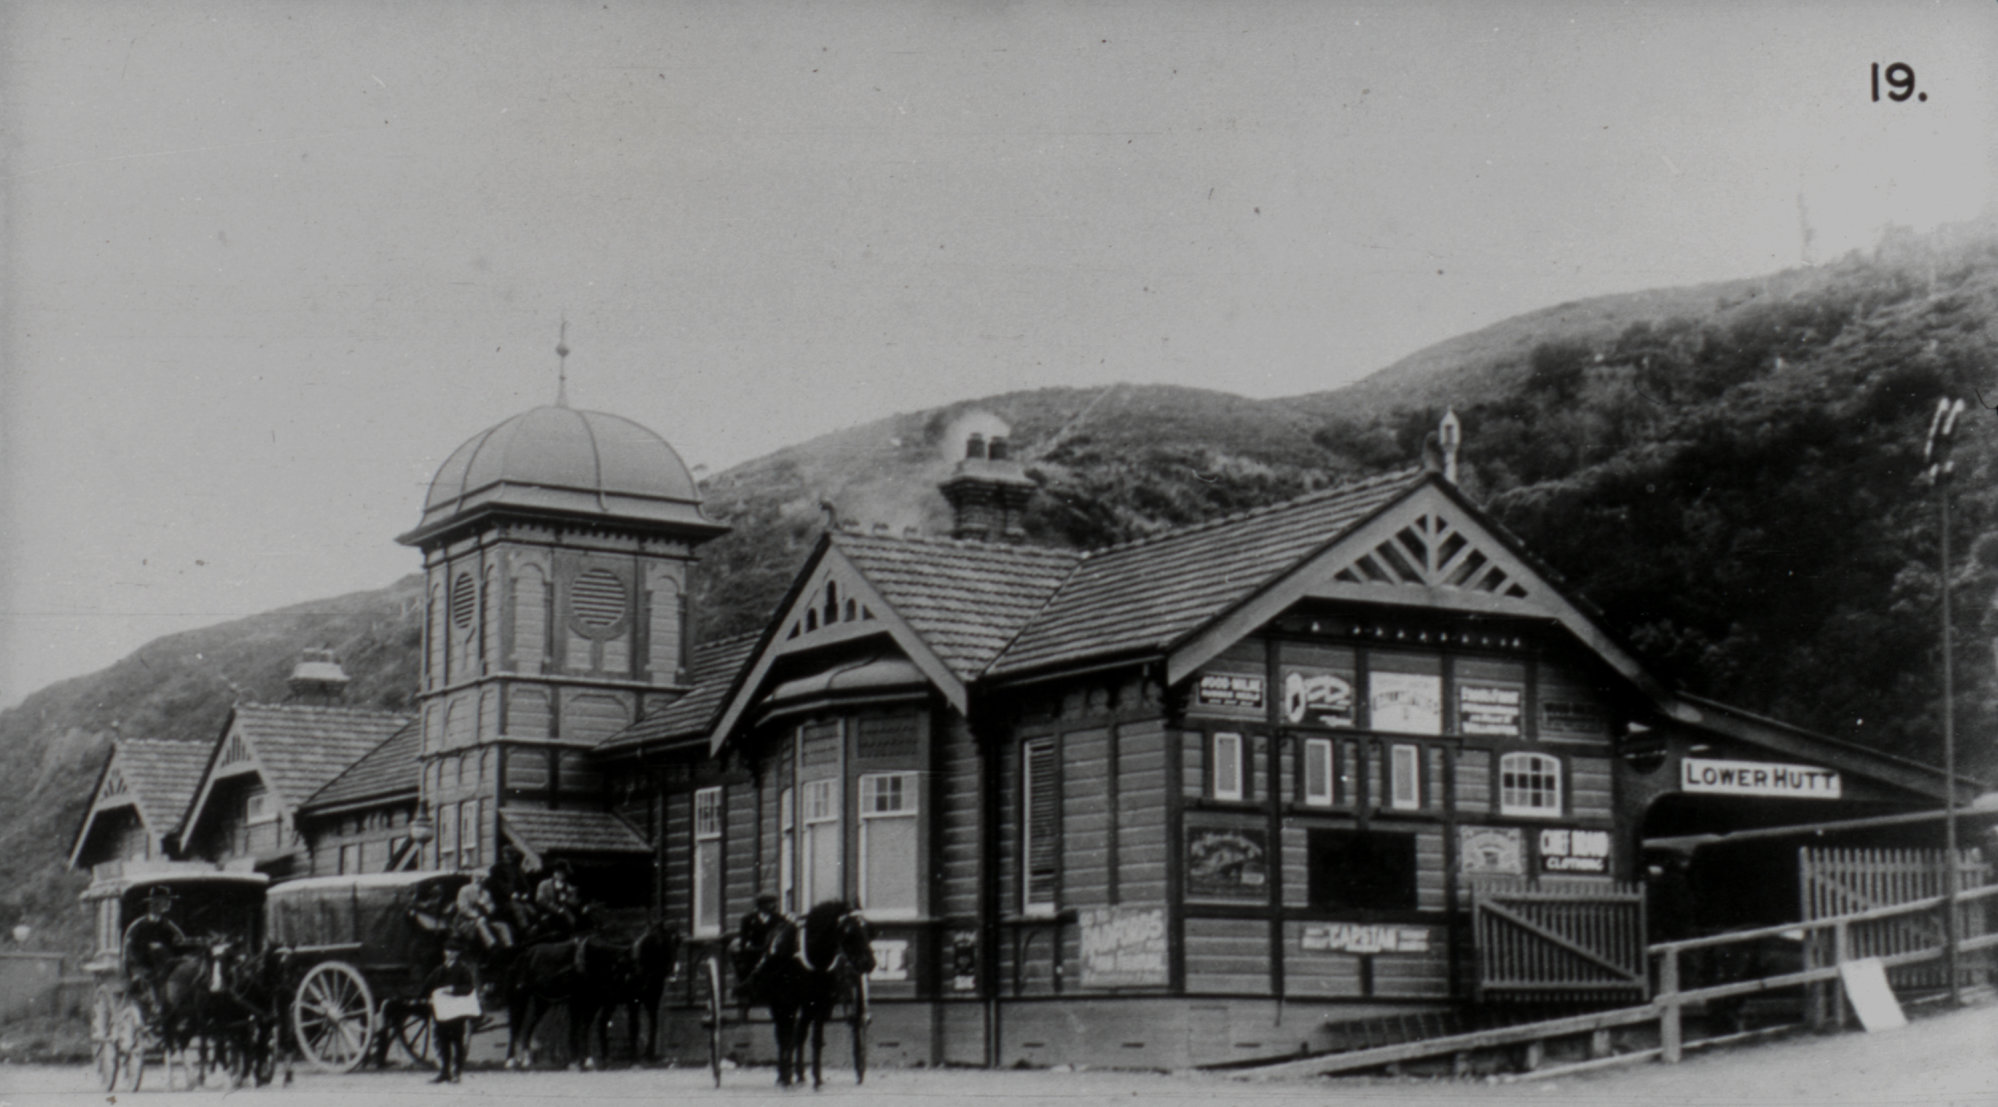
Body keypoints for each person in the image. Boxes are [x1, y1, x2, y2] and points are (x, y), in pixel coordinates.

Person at [122, 887, 193, 1020]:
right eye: (164, 901)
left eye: (167, 901)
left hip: (164, 964)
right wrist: (135, 966)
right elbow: (129, 948)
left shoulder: (168, 925)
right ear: (154, 903)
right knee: (151, 978)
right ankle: (155, 1007)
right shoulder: (138, 926)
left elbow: (180, 940)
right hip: (143, 966)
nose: (168, 905)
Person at [422, 938, 479, 1083]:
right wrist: (427, 997)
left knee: (457, 1042)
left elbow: (469, 988)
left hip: (456, 1010)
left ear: (458, 953)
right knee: (443, 1041)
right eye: (447, 951)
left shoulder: (462, 969)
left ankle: (457, 1072)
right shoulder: (440, 969)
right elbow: (428, 985)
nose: (449, 954)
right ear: (444, 952)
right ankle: (444, 1072)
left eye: (453, 951)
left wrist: (453, 989)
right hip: (442, 1010)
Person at [733, 893, 787, 990]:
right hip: (754, 952)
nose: (773, 906)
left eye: (774, 903)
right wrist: (747, 945)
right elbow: (744, 939)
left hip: (772, 952)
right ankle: (746, 986)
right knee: (745, 964)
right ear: (761, 906)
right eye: (770, 903)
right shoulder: (748, 920)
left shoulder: (779, 919)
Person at [452, 877, 511, 955]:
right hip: (466, 921)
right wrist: (476, 915)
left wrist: (486, 907)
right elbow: (463, 908)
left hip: (485, 919)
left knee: (503, 926)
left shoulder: (486, 893)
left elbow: (492, 907)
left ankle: (509, 947)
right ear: (472, 880)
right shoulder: (464, 890)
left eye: (482, 880)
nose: (479, 882)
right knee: (481, 922)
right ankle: (492, 945)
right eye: (477, 880)